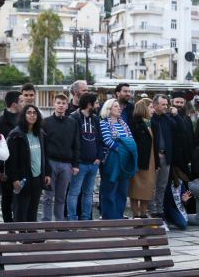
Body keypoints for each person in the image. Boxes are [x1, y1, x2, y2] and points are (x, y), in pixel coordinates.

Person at [7, 105, 51, 222]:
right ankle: (21, 234)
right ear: (23, 115)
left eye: (34, 113)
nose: (32, 115)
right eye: (29, 112)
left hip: (37, 177)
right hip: (22, 178)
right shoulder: (16, 134)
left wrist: (47, 173)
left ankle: (31, 232)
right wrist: (15, 178)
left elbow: (45, 155)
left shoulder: (40, 133)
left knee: (34, 207)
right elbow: (12, 160)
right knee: (21, 208)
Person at [42, 94, 80, 221]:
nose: (61, 105)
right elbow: (43, 145)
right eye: (58, 103)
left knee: (61, 196)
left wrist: (75, 165)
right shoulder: (46, 122)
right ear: (54, 104)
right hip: (50, 162)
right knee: (48, 196)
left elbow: (76, 144)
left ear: (67, 105)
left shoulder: (72, 123)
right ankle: (46, 222)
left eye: (63, 103)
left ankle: (59, 222)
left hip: (66, 165)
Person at [99, 99, 138, 220]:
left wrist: (125, 150)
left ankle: (119, 216)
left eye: (119, 106)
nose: (119, 108)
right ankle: (109, 217)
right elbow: (107, 141)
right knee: (109, 189)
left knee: (122, 190)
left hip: (124, 160)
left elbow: (130, 140)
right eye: (116, 106)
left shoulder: (123, 124)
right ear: (109, 109)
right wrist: (122, 149)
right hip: (111, 161)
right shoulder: (103, 123)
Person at [67, 93, 103, 221]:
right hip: (79, 164)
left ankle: (86, 220)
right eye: (96, 102)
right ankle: (72, 220)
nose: (98, 105)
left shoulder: (96, 119)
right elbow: (70, 142)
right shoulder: (73, 118)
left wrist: (99, 157)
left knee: (88, 194)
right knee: (74, 193)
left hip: (93, 163)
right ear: (89, 104)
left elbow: (100, 139)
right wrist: (74, 163)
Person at [128, 98, 158, 219]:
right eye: (150, 107)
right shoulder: (134, 123)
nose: (153, 110)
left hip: (150, 160)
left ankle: (144, 213)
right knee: (136, 188)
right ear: (144, 108)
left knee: (148, 186)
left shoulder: (152, 123)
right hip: (139, 160)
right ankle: (136, 214)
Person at [0, 91, 23, 223]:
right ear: (14, 104)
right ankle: (8, 226)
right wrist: (0, 170)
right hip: (5, 167)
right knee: (6, 199)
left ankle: (20, 225)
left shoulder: (24, 119)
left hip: (21, 165)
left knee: (21, 198)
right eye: (22, 101)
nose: (24, 104)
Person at [149, 94, 178, 219]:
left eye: (167, 104)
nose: (166, 107)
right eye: (163, 104)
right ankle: (152, 209)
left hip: (166, 156)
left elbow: (179, 128)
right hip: (154, 157)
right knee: (152, 185)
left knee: (162, 185)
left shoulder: (166, 118)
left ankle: (160, 209)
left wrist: (175, 115)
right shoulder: (151, 118)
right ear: (155, 105)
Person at [170, 90, 194, 180]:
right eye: (177, 102)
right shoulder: (167, 117)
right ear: (172, 102)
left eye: (181, 102)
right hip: (172, 158)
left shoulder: (187, 118)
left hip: (185, 157)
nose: (179, 104)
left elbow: (191, 137)